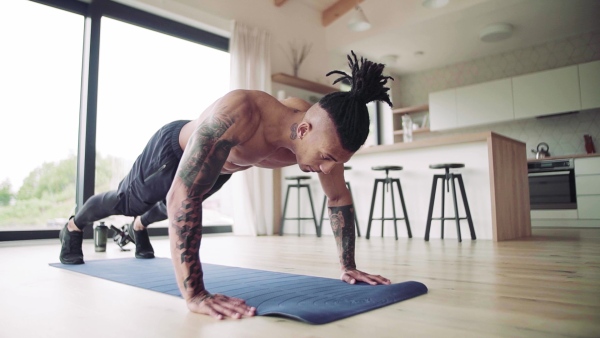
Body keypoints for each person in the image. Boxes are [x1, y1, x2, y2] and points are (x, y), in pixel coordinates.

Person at [59, 51, 394, 320]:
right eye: (325, 158)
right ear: (304, 130)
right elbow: (182, 194)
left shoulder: (322, 139)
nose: (327, 167)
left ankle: (139, 228)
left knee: (164, 209)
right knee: (127, 201)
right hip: (172, 152)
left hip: (221, 168)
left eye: (336, 160)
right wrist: (195, 294)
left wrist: (348, 266)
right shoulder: (242, 113)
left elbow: (337, 196)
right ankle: (74, 225)